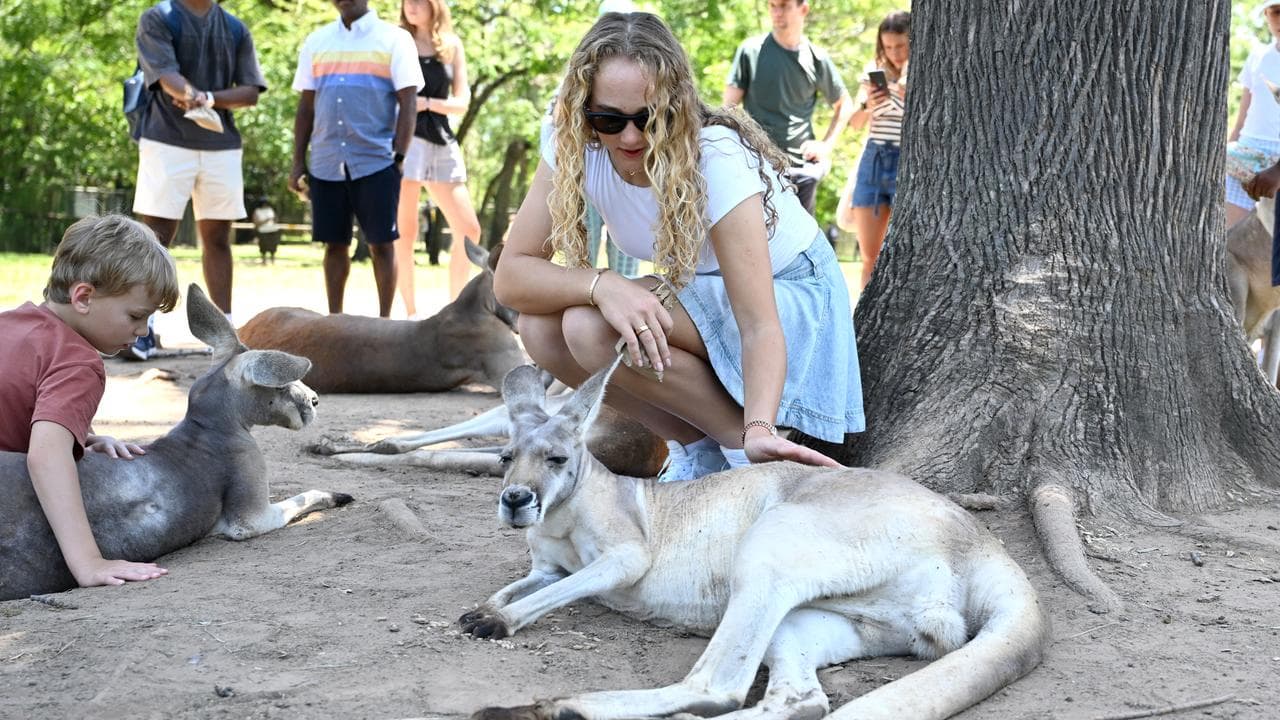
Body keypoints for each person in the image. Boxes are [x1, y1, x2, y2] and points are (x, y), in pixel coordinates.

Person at [494, 12, 864, 482]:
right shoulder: (573, 145)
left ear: (677, 106)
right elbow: (512, 278)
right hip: (705, 303)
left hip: (791, 302)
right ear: (583, 110)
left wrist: (758, 427)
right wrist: (602, 284)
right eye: (608, 118)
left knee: (589, 328)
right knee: (541, 329)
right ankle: (694, 447)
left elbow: (759, 323)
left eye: (649, 118)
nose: (630, 137)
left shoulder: (715, 156)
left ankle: (744, 454)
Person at [0, 215, 180, 589]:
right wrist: (89, 562)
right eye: (136, 315)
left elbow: (22, 398)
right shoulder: (79, 362)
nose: (142, 331)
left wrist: (82, 436)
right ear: (83, 297)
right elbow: (46, 456)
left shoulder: (11, 323)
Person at [131, 0, 266, 358]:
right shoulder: (158, 18)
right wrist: (193, 95)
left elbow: (251, 91)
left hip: (221, 145)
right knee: (155, 239)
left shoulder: (235, 27)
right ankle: (141, 328)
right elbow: (166, 76)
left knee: (219, 240)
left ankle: (224, 334)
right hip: (165, 140)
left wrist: (202, 98)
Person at [289, 0, 423, 318]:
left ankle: (385, 322)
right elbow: (306, 107)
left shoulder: (395, 39)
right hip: (326, 162)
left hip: (377, 161)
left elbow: (409, 102)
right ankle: (335, 319)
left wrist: (399, 156)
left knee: (381, 243)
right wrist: (297, 162)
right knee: (334, 244)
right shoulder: (316, 41)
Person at [723, 0, 854, 217]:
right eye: (772, 5)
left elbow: (844, 104)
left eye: (784, 6)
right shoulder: (751, 51)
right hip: (758, 165)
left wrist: (825, 146)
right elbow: (728, 109)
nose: (776, 12)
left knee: (802, 242)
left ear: (803, 9)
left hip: (802, 170)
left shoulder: (816, 58)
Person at [845, 10, 910, 291]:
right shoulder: (875, 73)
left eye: (901, 45)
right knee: (870, 258)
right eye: (888, 47)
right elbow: (854, 124)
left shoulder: (925, 73)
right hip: (874, 161)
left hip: (906, 163)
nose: (895, 53)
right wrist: (867, 104)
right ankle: (863, 325)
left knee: (903, 256)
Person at [1227, 2, 1280, 229]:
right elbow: (1245, 110)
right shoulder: (1258, 56)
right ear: (1266, 16)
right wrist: (1233, 141)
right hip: (1249, 149)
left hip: (1278, 154)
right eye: (1276, 12)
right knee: (1232, 235)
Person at [250, 197, 281, 264]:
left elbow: (276, 219)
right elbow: (256, 223)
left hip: (272, 230)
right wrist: (266, 220)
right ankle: (264, 261)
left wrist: (274, 219)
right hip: (263, 231)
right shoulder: (257, 211)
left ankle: (272, 260)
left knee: (273, 246)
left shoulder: (270, 209)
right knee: (263, 247)